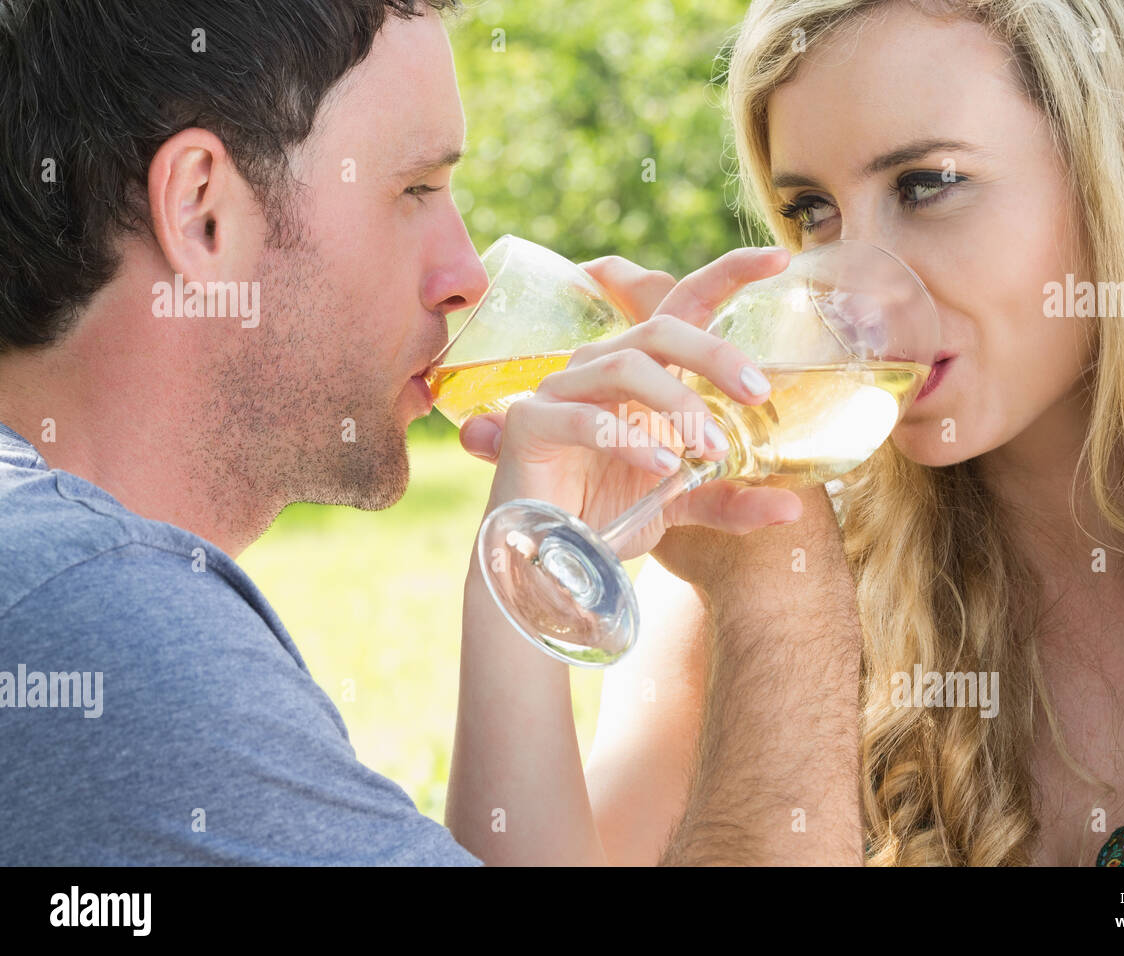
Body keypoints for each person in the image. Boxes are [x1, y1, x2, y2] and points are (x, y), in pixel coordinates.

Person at [0, 0, 844, 865]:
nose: (465, 276)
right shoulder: (102, 619)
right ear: (201, 211)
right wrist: (775, 581)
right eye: (415, 189)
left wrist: (522, 568)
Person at [462, 0, 1124, 866]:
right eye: (813, 211)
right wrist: (524, 553)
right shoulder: (766, 543)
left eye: (925, 185)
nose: (848, 293)